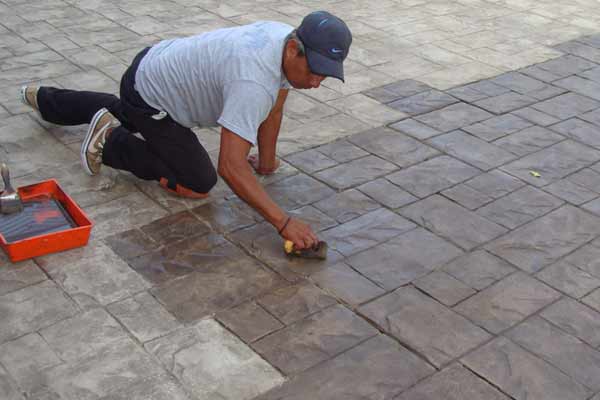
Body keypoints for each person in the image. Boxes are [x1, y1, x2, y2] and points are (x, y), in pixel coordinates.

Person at [20, 11, 352, 250]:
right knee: (198, 181)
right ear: (294, 50)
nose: (316, 82)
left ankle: (48, 100)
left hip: (154, 67)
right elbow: (230, 167)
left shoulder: (282, 37)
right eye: (315, 72)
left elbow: (274, 108)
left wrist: (267, 163)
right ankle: (110, 142)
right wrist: (283, 222)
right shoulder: (253, 80)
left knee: (131, 108)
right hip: (152, 94)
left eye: (326, 75)